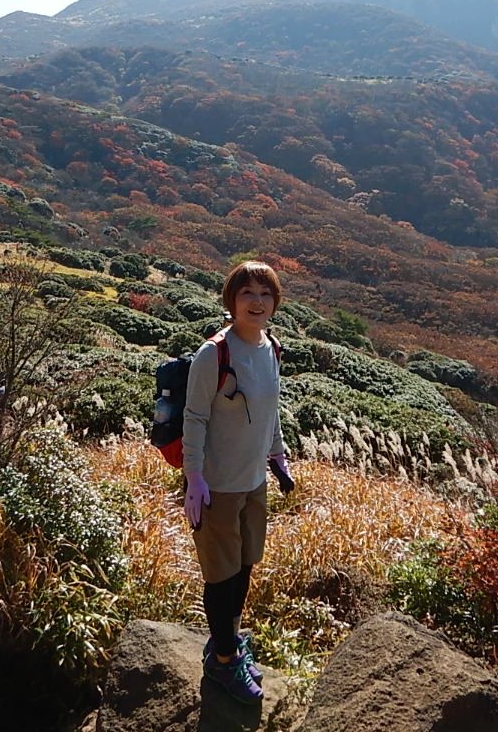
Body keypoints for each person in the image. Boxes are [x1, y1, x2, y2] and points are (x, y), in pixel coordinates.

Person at [181, 260, 292, 704]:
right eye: (248, 293)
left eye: (265, 294)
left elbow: (271, 410)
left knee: (245, 564)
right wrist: (194, 477)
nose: (257, 302)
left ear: (275, 303)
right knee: (221, 576)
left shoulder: (271, 347)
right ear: (232, 300)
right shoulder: (215, 354)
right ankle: (224, 661)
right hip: (218, 485)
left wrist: (278, 455)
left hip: (253, 482)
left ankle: (226, 638)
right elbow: (194, 416)